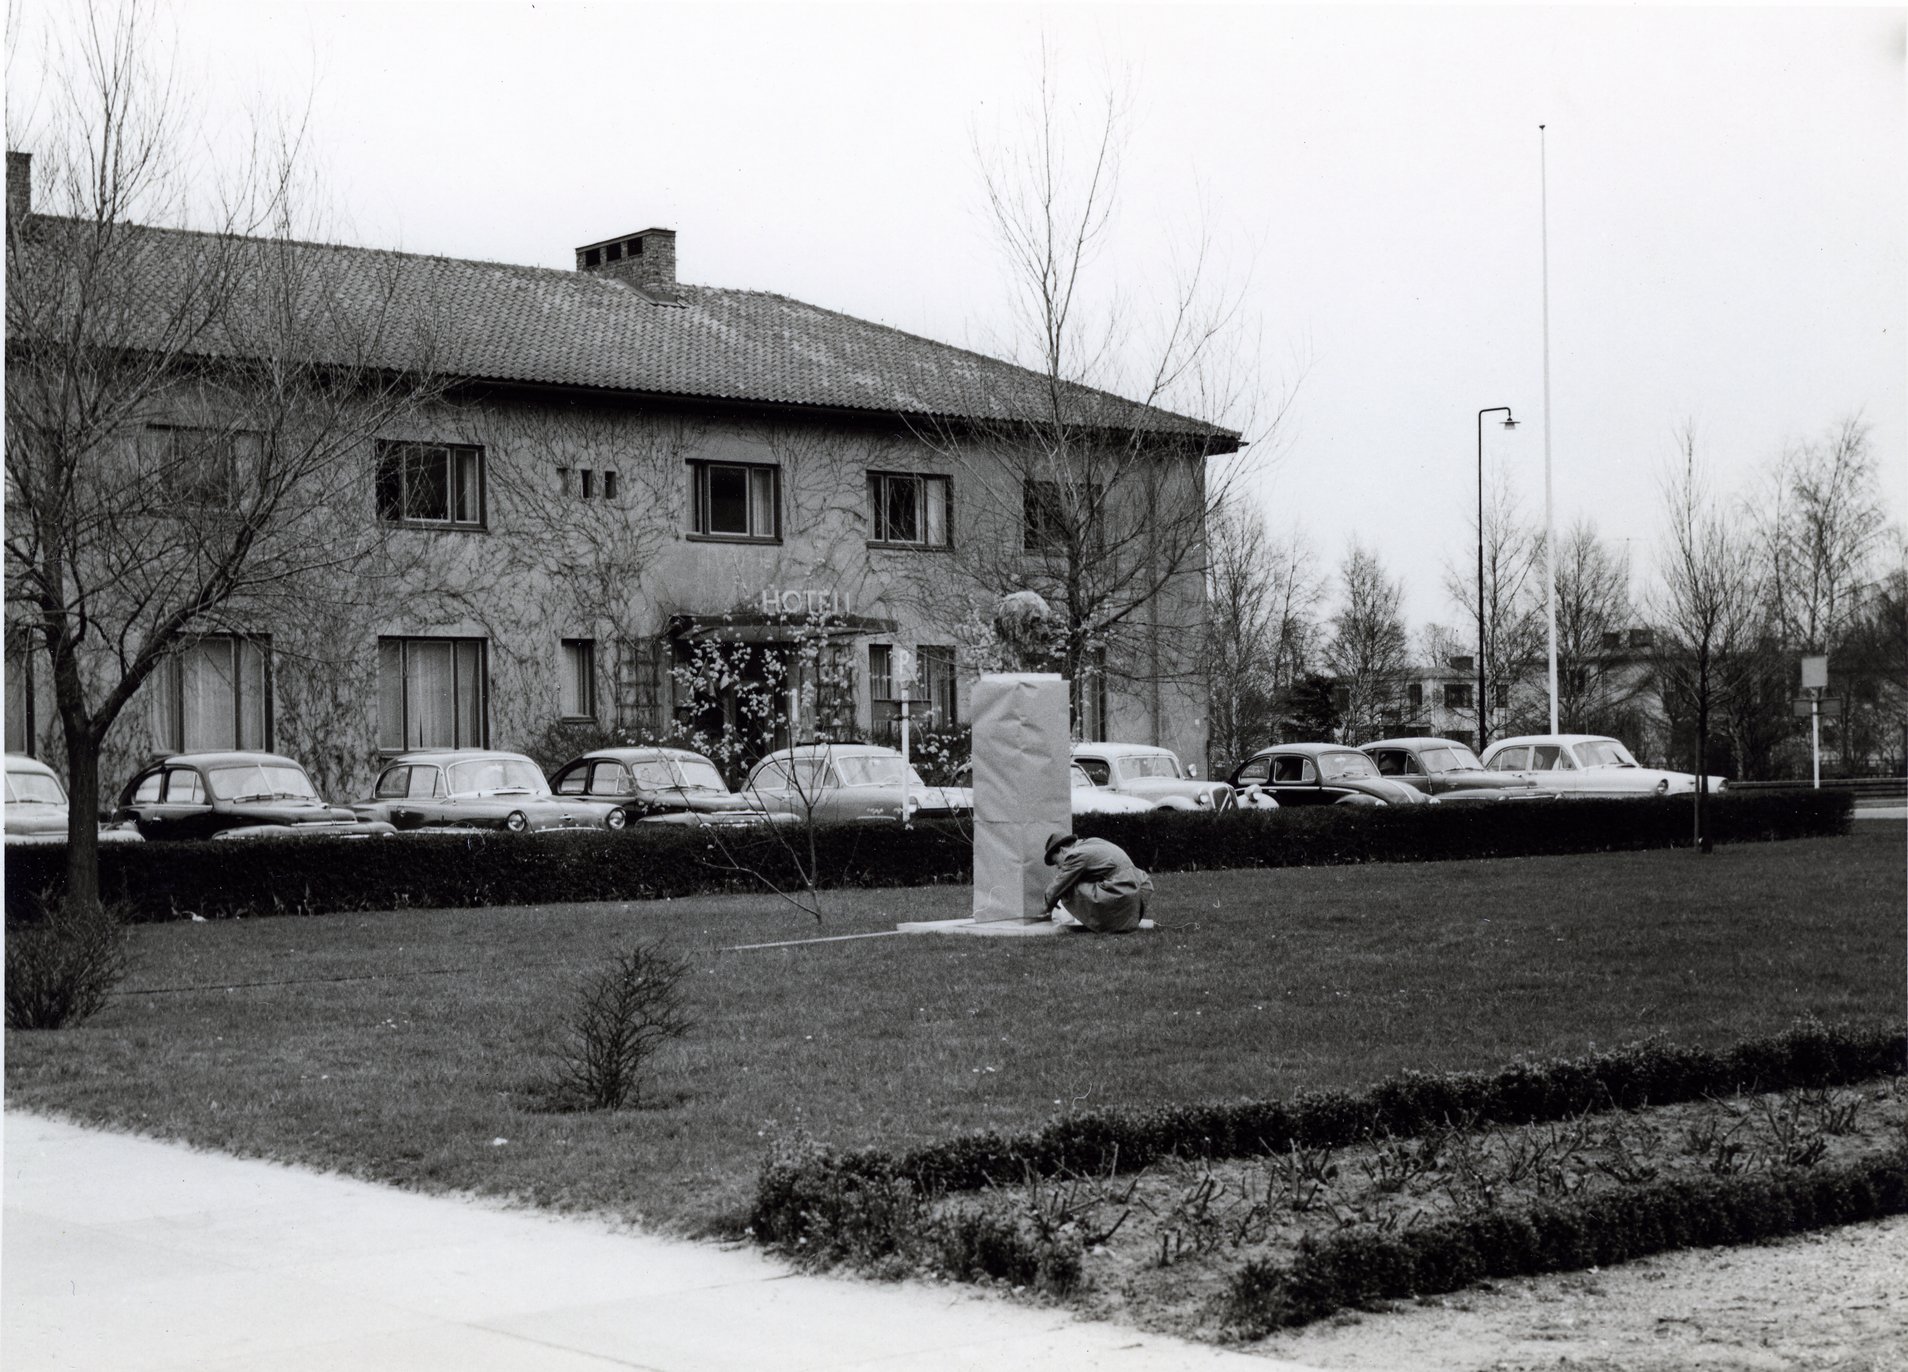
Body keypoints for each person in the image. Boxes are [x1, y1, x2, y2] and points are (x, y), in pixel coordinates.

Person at [1041, 831, 1152, 933]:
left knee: (1066, 888)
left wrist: (1044, 909)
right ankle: (1123, 922)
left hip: (1123, 892)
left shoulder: (1074, 855)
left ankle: (1109, 924)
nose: (1059, 867)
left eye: (1057, 862)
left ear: (1062, 850)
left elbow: (1059, 885)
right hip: (1138, 892)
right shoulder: (1093, 842)